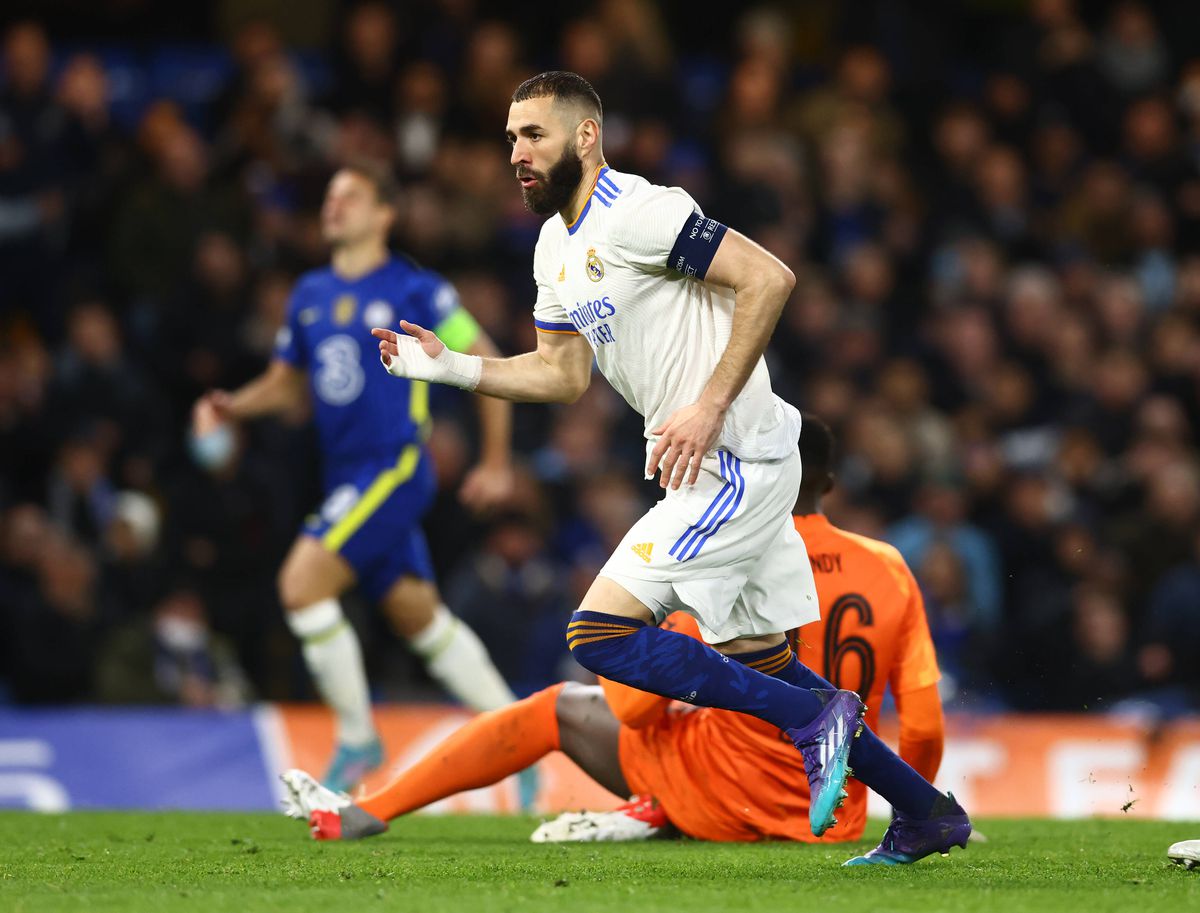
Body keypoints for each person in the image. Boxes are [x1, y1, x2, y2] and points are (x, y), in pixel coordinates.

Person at [371, 70, 969, 863]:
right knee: (767, 663)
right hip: (711, 465)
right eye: (511, 136)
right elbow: (562, 375)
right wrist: (452, 371)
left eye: (533, 134)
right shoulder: (555, 245)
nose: (516, 151)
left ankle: (808, 722)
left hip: (735, 460)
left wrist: (710, 404)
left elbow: (769, 277)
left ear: (586, 136)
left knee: (598, 631)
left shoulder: (644, 211)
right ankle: (926, 810)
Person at [279, 416, 948, 861]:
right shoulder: (888, 566)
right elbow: (922, 724)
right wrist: (891, 801)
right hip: (837, 813)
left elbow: (634, 708)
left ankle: (376, 807)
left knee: (561, 707)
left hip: (727, 795)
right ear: (828, 482)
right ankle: (659, 806)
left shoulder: (730, 548)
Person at [192, 160, 518, 792]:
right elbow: (287, 383)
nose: (333, 205)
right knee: (420, 620)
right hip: (344, 475)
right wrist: (234, 405)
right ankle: (519, 736)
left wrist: (497, 460)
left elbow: (485, 357)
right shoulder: (309, 292)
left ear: (384, 214)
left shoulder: (414, 288)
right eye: (329, 195)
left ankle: (358, 740)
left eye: (351, 196)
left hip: (395, 465)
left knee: (302, 585)